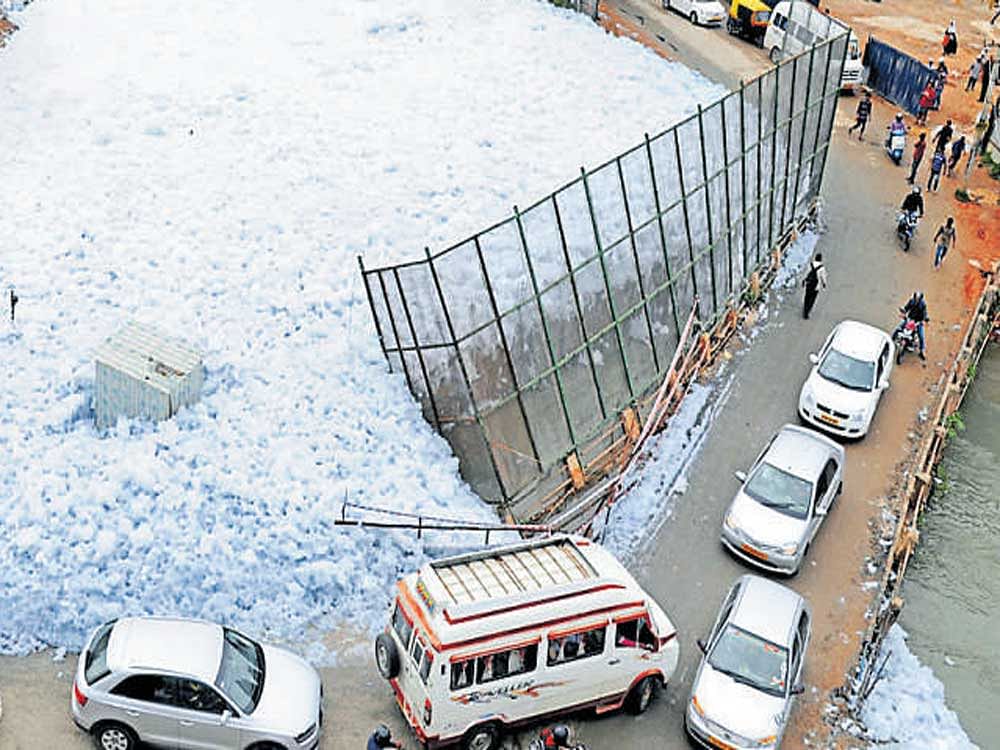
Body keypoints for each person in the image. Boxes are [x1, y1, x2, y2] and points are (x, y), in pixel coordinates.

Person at [895, 292, 929, 360]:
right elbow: (906, 308)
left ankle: (922, 350)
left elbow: (925, 313)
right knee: (898, 328)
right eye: (915, 298)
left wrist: (925, 319)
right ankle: (892, 340)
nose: (916, 299)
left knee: (921, 336)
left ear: (920, 299)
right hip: (910, 319)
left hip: (918, 322)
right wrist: (903, 311)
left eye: (917, 298)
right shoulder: (911, 301)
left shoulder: (923, 305)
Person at [801, 253, 828, 320]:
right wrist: (824, 283)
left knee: (807, 297)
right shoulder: (822, 268)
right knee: (812, 299)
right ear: (821, 259)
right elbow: (823, 277)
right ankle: (807, 312)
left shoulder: (810, 265)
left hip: (809, 284)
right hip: (816, 286)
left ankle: (805, 309)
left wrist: (804, 281)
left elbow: (806, 273)